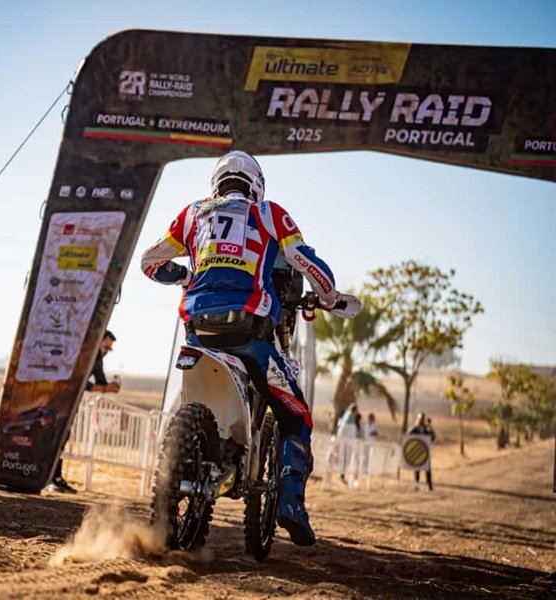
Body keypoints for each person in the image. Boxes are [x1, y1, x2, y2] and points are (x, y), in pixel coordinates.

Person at [141, 150, 345, 546]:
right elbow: (306, 261)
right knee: (296, 416)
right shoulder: (269, 213)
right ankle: (291, 503)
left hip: (198, 333)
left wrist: (184, 276)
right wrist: (330, 295)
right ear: (257, 186)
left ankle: (179, 496)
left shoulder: (192, 214)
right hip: (249, 335)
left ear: (216, 183)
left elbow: (149, 262)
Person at [45, 330, 121, 494]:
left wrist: (109, 388)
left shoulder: (97, 360)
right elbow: (79, 381)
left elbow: (100, 381)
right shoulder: (85, 353)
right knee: (54, 436)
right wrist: (104, 389)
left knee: (62, 437)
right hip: (59, 399)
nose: (106, 352)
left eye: (109, 349)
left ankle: (54, 477)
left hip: (70, 403)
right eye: (105, 347)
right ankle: (49, 477)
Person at [409, 412, 436, 491]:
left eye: (422, 419)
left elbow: (433, 437)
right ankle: (416, 484)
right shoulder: (414, 428)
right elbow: (408, 436)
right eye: (419, 419)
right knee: (417, 468)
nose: (421, 420)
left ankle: (429, 485)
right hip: (416, 451)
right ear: (417, 419)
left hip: (425, 451)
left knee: (427, 468)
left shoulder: (426, 428)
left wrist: (430, 427)